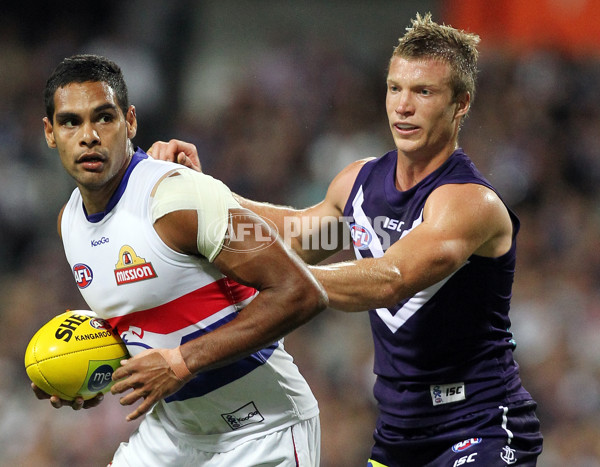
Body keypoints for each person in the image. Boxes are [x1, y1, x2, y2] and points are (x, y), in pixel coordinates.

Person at [151, 13, 543, 467]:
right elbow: (290, 237)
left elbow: (391, 279)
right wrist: (204, 193)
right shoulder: (359, 183)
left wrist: (287, 285)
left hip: (481, 426)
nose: (403, 106)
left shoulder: (469, 203)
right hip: (398, 436)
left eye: (424, 92)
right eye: (395, 88)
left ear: (461, 105)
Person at [32, 53, 328, 466]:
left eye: (103, 117)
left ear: (130, 122)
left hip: (262, 432)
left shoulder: (176, 198)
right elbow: (140, 328)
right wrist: (84, 374)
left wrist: (182, 361)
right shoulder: (69, 223)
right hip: (172, 436)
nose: (88, 136)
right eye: (70, 122)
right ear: (50, 132)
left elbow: (300, 292)